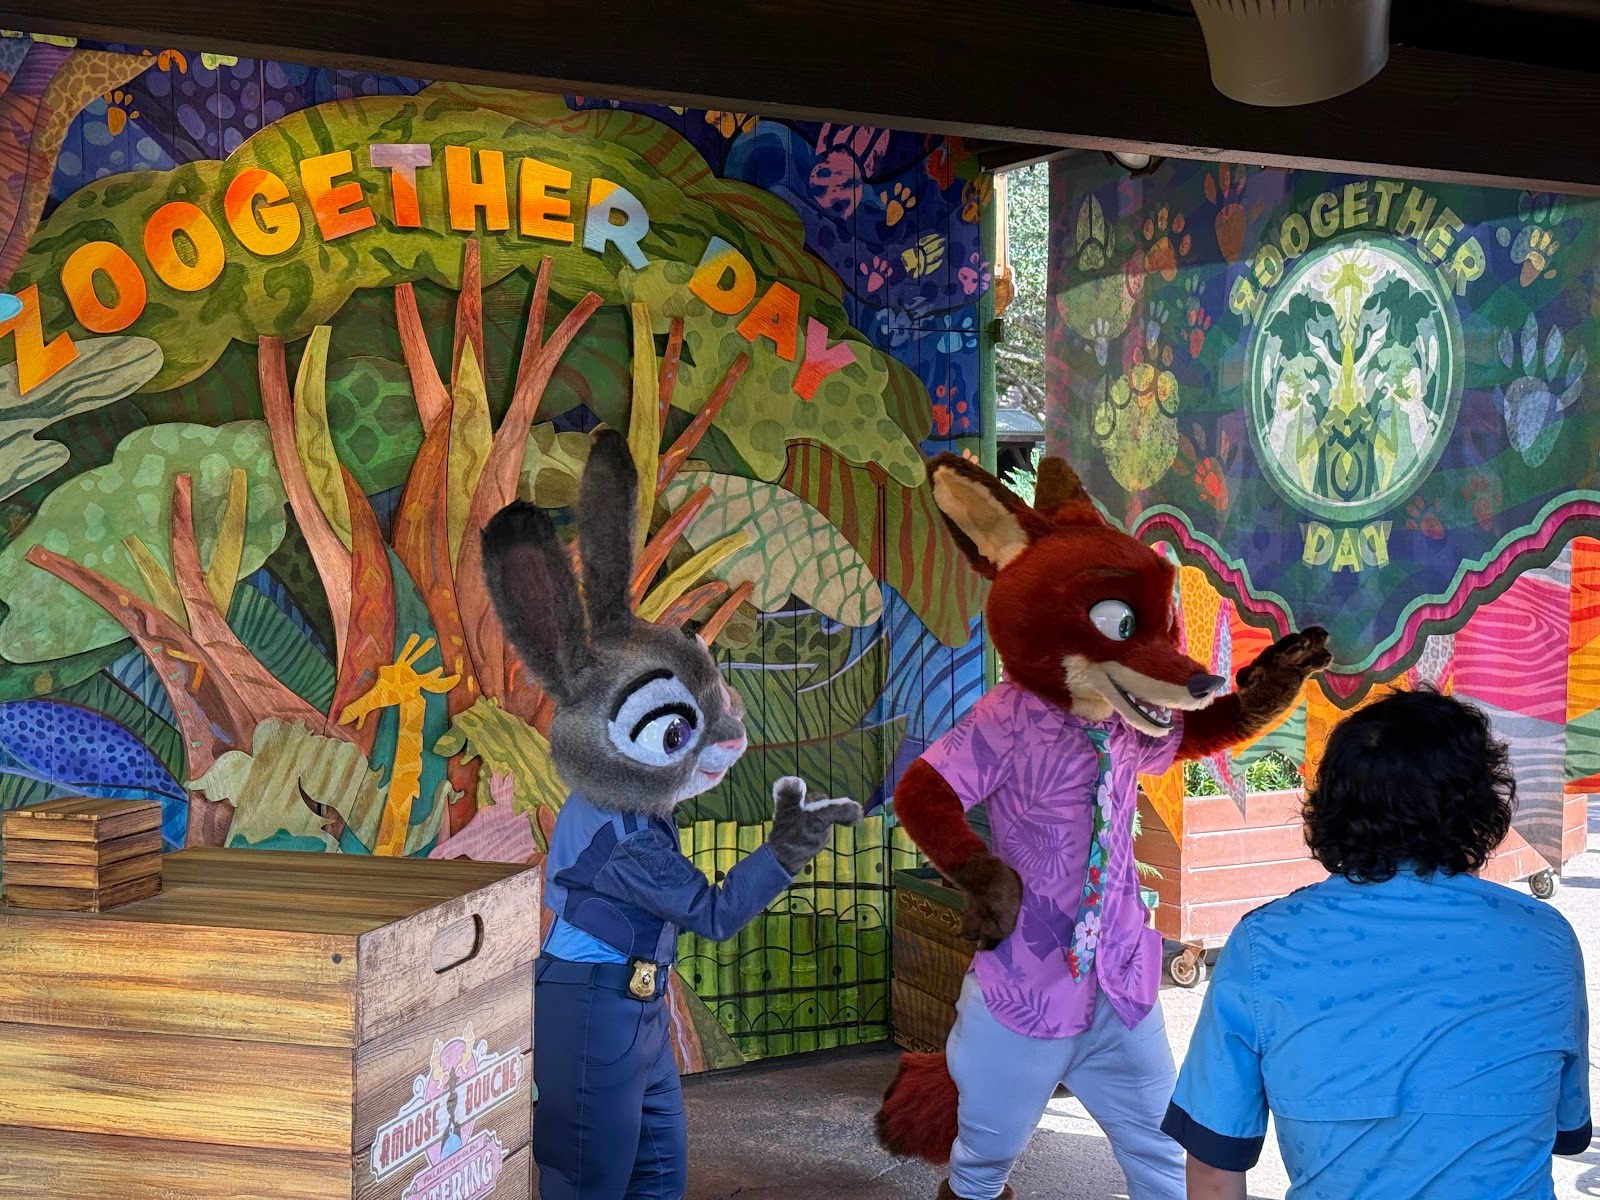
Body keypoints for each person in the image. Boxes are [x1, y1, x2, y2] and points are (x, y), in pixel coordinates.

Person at [1163, 686, 1591, 1199]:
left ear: (1331, 809)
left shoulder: (1264, 945)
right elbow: (1567, 1130)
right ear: (1480, 809)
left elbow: (1214, 1168)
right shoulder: (1546, 939)